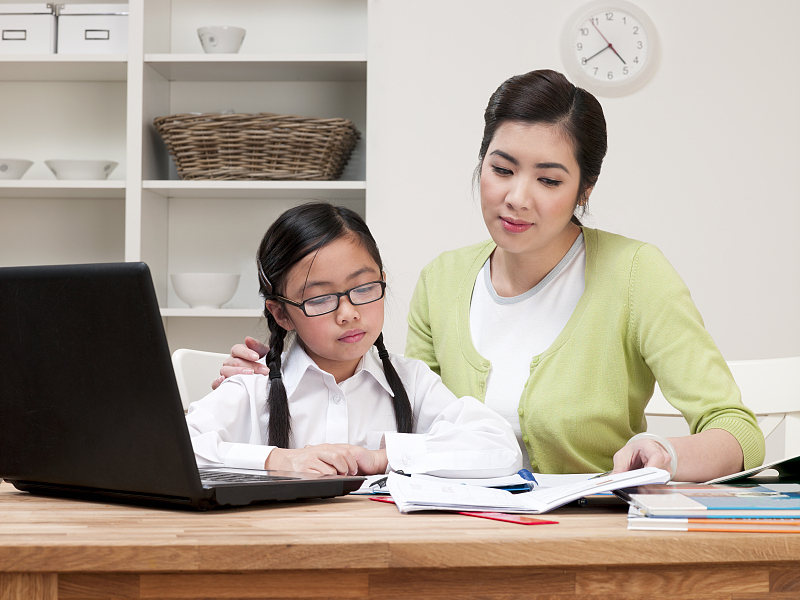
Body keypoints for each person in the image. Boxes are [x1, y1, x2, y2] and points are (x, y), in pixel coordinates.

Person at [213, 70, 765, 482]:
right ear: (481, 163)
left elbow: (735, 428)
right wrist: (281, 370)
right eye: (501, 169)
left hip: (584, 539)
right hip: (451, 538)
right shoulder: (444, 278)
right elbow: (401, 416)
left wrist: (667, 455)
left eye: (549, 180)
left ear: (585, 189)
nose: (516, 198)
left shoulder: (635, 274)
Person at [188, 202, 522, 478]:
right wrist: (277, 460)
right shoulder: (253, 385)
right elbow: (166, 449)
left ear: (383, 281)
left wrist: (385, 457)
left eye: (363, 289)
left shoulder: (413, 382)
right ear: (281, 314)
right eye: (319, 299)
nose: (347, 313)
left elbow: (500, 448)